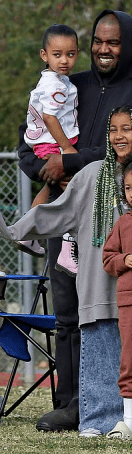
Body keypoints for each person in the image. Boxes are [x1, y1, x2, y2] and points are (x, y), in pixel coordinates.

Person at [0, 105, 132, 437]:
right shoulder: (93, 174)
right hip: (98, 293)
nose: (120, 137)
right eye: (114, 130)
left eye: (128, 129)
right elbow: (55, 213)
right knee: (98, 362)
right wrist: (13, 230)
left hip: (130, 297)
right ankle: (97, 422)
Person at [17, 10, 132, 432]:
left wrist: (72, 161)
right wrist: (46, 167)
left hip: (111, 220)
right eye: (99, 41)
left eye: (114, 41)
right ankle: (69, 403)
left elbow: (120, 153)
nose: (104, 49)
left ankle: (113, 403)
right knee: (66, 314)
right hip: (66, 210)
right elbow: (29, 138)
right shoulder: (68, 84)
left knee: (108, 313)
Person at [20, 24, 80, 274]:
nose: (64, 60)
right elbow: (50, 118)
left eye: (71, 54)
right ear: (44, 55)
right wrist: (67, 149)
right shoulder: (55, 85)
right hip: (53, 143)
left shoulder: (54, 79)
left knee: (50, 186)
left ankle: (26, 233)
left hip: (45, 141)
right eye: (57, 54)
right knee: (75, 189)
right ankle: (68, 250)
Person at [102, 153, 132, 439]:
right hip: (129, 303)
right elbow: (108, 259)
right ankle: (128, 422)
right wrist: (125, 259)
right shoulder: (123, 223)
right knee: (130, 359)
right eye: (128, 188)